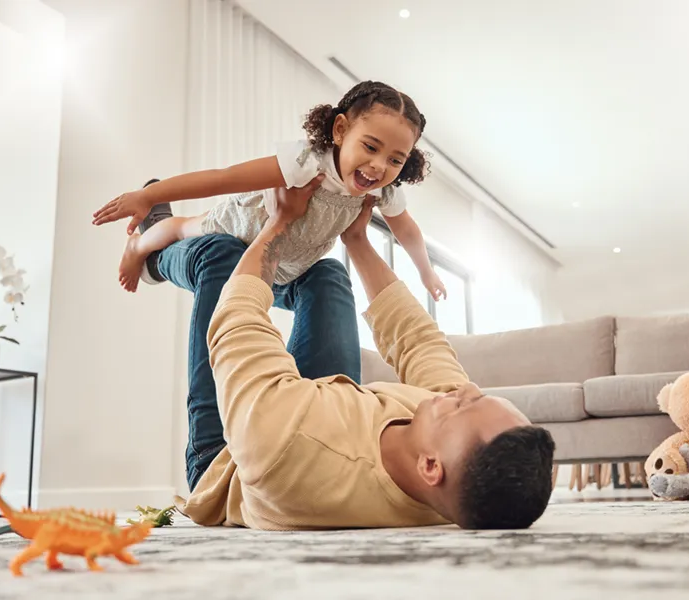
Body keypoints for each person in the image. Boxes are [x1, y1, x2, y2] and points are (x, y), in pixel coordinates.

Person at [170, 179, 555, 530]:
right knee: (328, 275)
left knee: (221, 256)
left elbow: (236, 321)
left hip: (229, 460)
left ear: (430, 466)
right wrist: (357, 238)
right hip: (316, 409)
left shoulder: (283, 444)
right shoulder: (445, 456)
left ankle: (153, 255)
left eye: (462, 407)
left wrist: (279, 221)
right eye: (479, 396)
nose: (465, 390)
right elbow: (418, 340)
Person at [91, 80, 447, 302]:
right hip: (240, 227)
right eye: (370, 147)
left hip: (283, 261)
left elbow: (407, 232)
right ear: (340, 130)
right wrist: (148, 197)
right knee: (184, 227)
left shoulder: (382, 192)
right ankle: (140, 244)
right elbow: (223, 178)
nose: (380, 167)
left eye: (396, 160)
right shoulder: (308, 161)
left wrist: (425, 271)